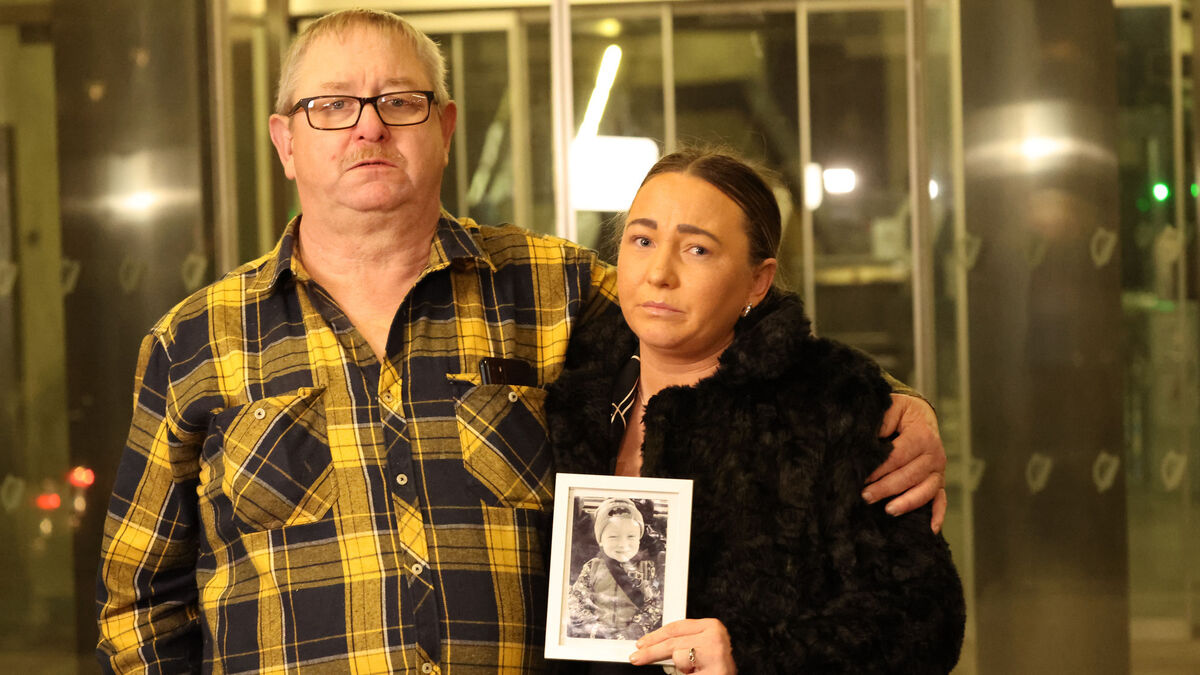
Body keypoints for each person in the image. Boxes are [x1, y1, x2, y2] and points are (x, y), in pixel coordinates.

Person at [96, 9, 948, 673]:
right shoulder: (194, 340)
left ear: (445, 127)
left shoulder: (554, 287)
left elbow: (723, 324)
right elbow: (141, 601)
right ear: (285, 141)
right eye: (331, 106)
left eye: (400, 102)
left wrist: (895, 404)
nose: (369, 128)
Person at [545, 150, 966, 674]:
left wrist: (749, 656)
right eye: (642, 240)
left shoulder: (827, 405)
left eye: (697, 249)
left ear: (758, 282)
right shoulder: (571, 389)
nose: (659, 273)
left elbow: (926, 619)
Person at [567, 499, 664, 641]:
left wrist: (637, 628)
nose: (623, 544)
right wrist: (595, 628)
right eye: (613, 537)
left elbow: (655, 604)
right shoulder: (592, 567)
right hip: (597, 639)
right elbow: (575, 601)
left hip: (633, 641)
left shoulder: (647, 570)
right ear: (601, 540)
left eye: (631, 536)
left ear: (639, 539)